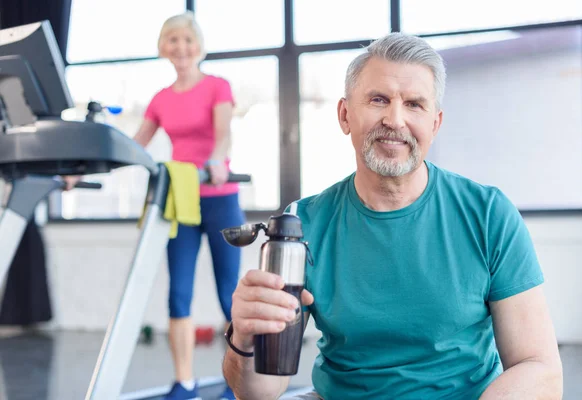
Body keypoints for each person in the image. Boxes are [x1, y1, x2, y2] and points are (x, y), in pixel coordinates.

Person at [221, 32, 563, 399]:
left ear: (435, 123)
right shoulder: (302, 225)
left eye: (415, 104)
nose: (395, 119)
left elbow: (538, 367)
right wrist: (243, 336)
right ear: (345, 114)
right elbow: (258, 391)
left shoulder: (488, 214)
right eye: (378, 99)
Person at [68, 12, 243, 400]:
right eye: (173, 40)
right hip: (179, 201)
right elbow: (134, 147)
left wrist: (217, 161)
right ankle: (184, 383)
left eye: (187, 39)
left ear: (199, 46)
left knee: (229, 294)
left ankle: (239, 382)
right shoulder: (161, 99)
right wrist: (79, 172)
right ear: (163, 47)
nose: (181, 47)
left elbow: (223, 135)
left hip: (218, 199)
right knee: (177, 294)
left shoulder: (218, 86)